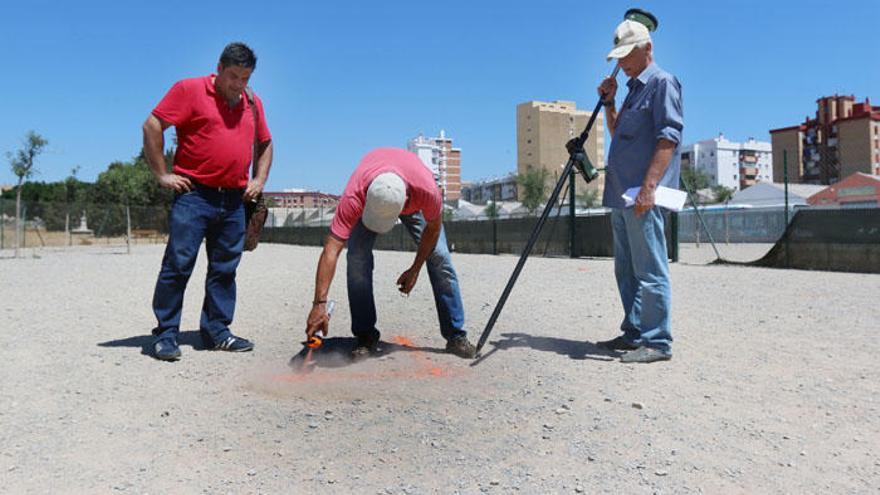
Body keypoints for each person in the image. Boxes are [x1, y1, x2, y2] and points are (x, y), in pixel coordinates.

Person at [143, 42, 273, 361]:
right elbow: (152, 125)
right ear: (219, 67)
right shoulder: (189, 90)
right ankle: (166, 334)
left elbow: (266, 143)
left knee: (225, 269)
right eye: (233, 76)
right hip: (194, 196)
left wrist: (259, 180)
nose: (239, 84)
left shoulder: (253, 102)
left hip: (233, 200)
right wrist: (162, 174)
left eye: (245, 78)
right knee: (178, 265)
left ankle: (217, 331)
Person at [305, 147, 476, 359]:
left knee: (440, 257)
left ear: (405, 202)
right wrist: (319, 304)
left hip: (411, 191)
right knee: (357, 258)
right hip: (373, 193)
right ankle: (365, 335)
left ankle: (455, 335)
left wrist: (415, 269)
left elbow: (432, 230)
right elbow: (331, 248)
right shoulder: (355, 195)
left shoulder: (428, 192)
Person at [595, 20, 683, 363]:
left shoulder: (662, 83)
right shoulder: (631, 89)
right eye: (618, 57)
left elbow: (668, 138)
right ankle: (634, 332)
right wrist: (610, 104)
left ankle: (657, 342)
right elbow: (619, 134)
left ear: (647, 49)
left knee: (650, 269)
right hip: (621, 193)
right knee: (626, 269)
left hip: (642, 194)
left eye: (626, 55)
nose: (621, 63)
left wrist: (649, 188)